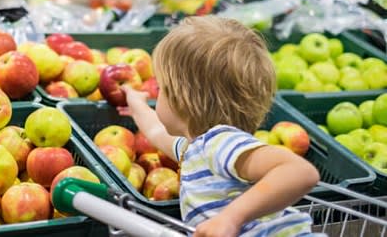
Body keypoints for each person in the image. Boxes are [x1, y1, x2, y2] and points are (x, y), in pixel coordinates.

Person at [118, 16, 320, 237]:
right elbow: (156, 132)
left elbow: (301, 172)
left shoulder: (220, 143)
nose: (157, 96)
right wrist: (136, 102)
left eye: (161, 88)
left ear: (182, 100)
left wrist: (230, 218)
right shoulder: (195, 149)